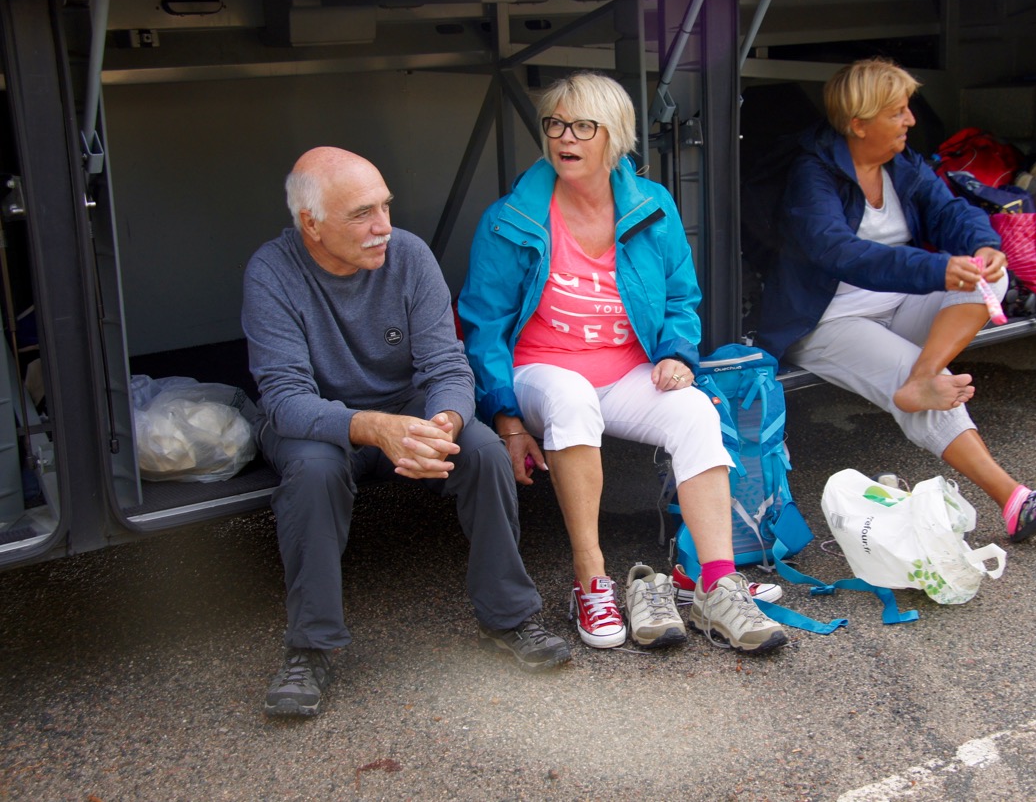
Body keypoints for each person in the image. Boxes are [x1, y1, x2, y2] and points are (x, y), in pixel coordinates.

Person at [458, 72, 787, 654]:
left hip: (626, 369)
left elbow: (682, 298)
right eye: (555, 124)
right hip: (542, 371)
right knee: (569, 399)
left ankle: (716, 584)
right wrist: (506, 419)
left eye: (583, 126)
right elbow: (482, 326)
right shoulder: (510, 218)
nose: (566, 137)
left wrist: (677, 355)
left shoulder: (651, 206)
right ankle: (592, 582)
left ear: (616, 138)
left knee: (693, 413)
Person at [243, 147, 569, 718]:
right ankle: (311, 646)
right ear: (311, 224)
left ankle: (509, 617)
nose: (383, 228)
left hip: (407, 407)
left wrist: (442, 423)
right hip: (318, 420)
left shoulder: (409, 255)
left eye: (386, 207)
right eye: (362, 214)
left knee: (483, 450)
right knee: (314, 472)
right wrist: (371, 427)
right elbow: (286, 400)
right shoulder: (271, 272)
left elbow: (447, 366)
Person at [757, 58, 1036, 541]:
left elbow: (954, 209)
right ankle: (1016, 502)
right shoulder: (814, 173)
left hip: (895, 302)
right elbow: (837, 251)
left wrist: (983, 247)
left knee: (987, 279)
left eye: (907, 109)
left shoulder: (902, 164)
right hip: (827, 319)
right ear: (858, 123)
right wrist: (935, 269)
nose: (911, 120)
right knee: (924, 382)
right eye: (897, 112)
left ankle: (924, 376)